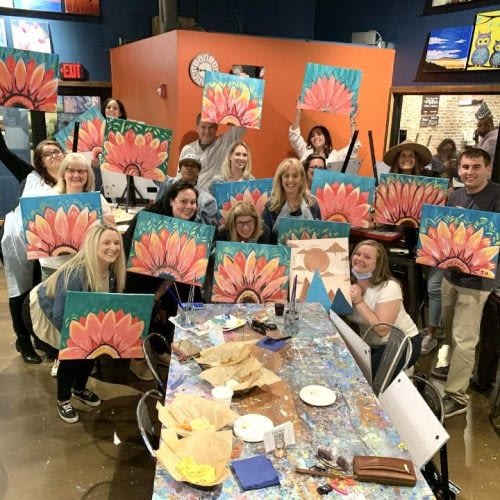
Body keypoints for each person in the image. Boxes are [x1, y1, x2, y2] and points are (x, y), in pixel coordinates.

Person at [27, 224, 126, 423]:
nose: (113, 247)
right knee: (72, 355)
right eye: (106, 243)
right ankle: (63, 399)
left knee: (92, 350)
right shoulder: (75, 274)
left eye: (117, 243)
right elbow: (59, 315)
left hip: (76, 314)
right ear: (93, 245)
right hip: (46, 311)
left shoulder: (112, 271)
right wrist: (82, 340)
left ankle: (78, 388)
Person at [430, 148, 500, 418]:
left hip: (477, 282)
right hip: (451, 275)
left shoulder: (496, 196)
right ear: (459, 169)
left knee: (465, 338)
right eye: (465, 167)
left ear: (488, 169)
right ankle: (454, 369)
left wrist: (472, 226)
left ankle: (456, 396)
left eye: (476, 167)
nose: (470, 172)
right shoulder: (456, 195)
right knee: (450, 330)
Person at [123, 181, 204, 369]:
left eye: (193, 202)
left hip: (168, 277)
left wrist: (163, 288)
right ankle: (140, 356)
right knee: (144, 304)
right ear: (171, 201)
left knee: (192, 296)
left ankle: (174, 345)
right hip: (139, 276)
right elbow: (129, 252)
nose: (189, 206)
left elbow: (181, 267)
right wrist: (155, 292)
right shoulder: (148, 218)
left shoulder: (192, 227)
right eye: (183, 201)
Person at [1, 140, 65, 363]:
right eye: (47, 154)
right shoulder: (30, 175)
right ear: (39, 161)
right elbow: (2, 152)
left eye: (57, 151)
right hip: (17, 239)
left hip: (48, 245)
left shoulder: (69, 179)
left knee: (40, 292)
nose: (54, 155)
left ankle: (42, 338)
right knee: (20, 291)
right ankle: (23, 342)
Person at [347, 239, 422, 378]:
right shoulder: (347, 281)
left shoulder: (389, 287)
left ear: (378, 264)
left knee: (362, 379)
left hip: (400, 342)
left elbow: (382, 329)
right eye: (357, 254)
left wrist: (359, 301)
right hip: (369, 344)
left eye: (367, 257)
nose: (359, 259)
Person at [180, 113, 245, 191]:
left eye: (211, 127)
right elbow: (179, 178)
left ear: (216, 128)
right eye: (203, 127)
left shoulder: (225, 143)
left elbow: (243, 122)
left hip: (214, 196)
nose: (207, 131)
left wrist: (231, 117)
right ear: (197, 128)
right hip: (191, 195)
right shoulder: (187, 149)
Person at [262, 158, 321, 243]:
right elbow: (266, 241)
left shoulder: (312, 204)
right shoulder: (270, 206)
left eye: (295, 176)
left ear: (301, 179)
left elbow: (319, 238)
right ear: (280, 179)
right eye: (286, 176)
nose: (290, 180)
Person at [155, 153, 217, 225]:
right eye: (186, 165)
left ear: (198, 171)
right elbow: (151, 167)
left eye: (193, 166)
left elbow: (206, 228)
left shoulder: (208, 200)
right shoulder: (166, 184)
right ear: (180, 169)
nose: (189, 168)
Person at [289, 104, 360, 165]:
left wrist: (352, 122)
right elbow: (294, 136)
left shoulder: (334, 156)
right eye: (312, 136)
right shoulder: (305, 151)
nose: (315, 137)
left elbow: (353, 147)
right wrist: (299, 112)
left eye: (319, 134)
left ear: (326, 137)